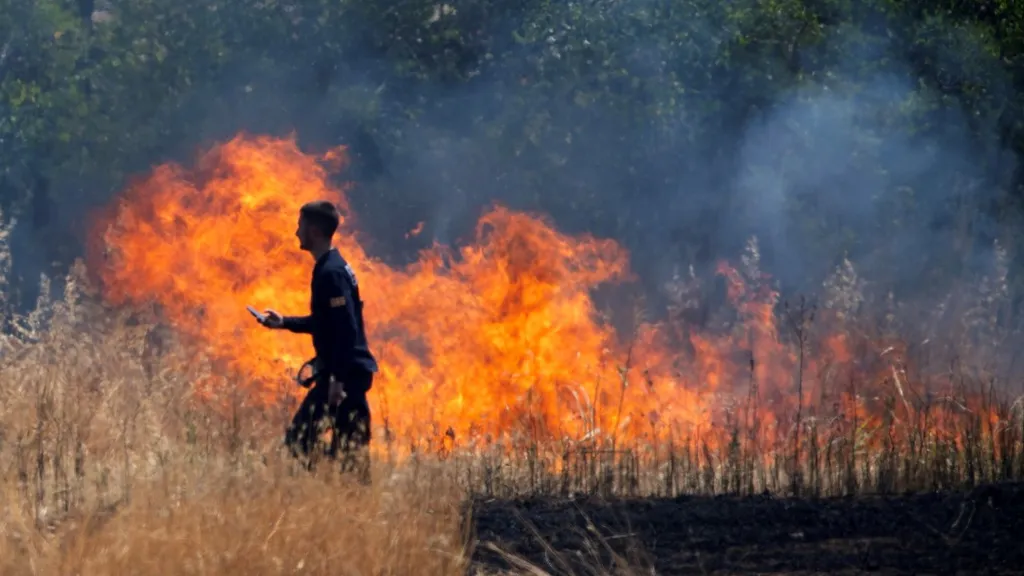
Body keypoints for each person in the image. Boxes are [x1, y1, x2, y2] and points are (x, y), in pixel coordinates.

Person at [257, 200, 378, 479]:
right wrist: (284, 322)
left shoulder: (331, 272)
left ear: (314, 231)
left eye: (300, 226)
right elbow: (328, 323)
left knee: (302, 442)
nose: (296, 232)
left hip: (344, 379)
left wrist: (336, 379)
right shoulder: (331, 267)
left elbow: (346, 329)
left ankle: (331, 485)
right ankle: (336, 487)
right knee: (348, 456)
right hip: (344, 374)